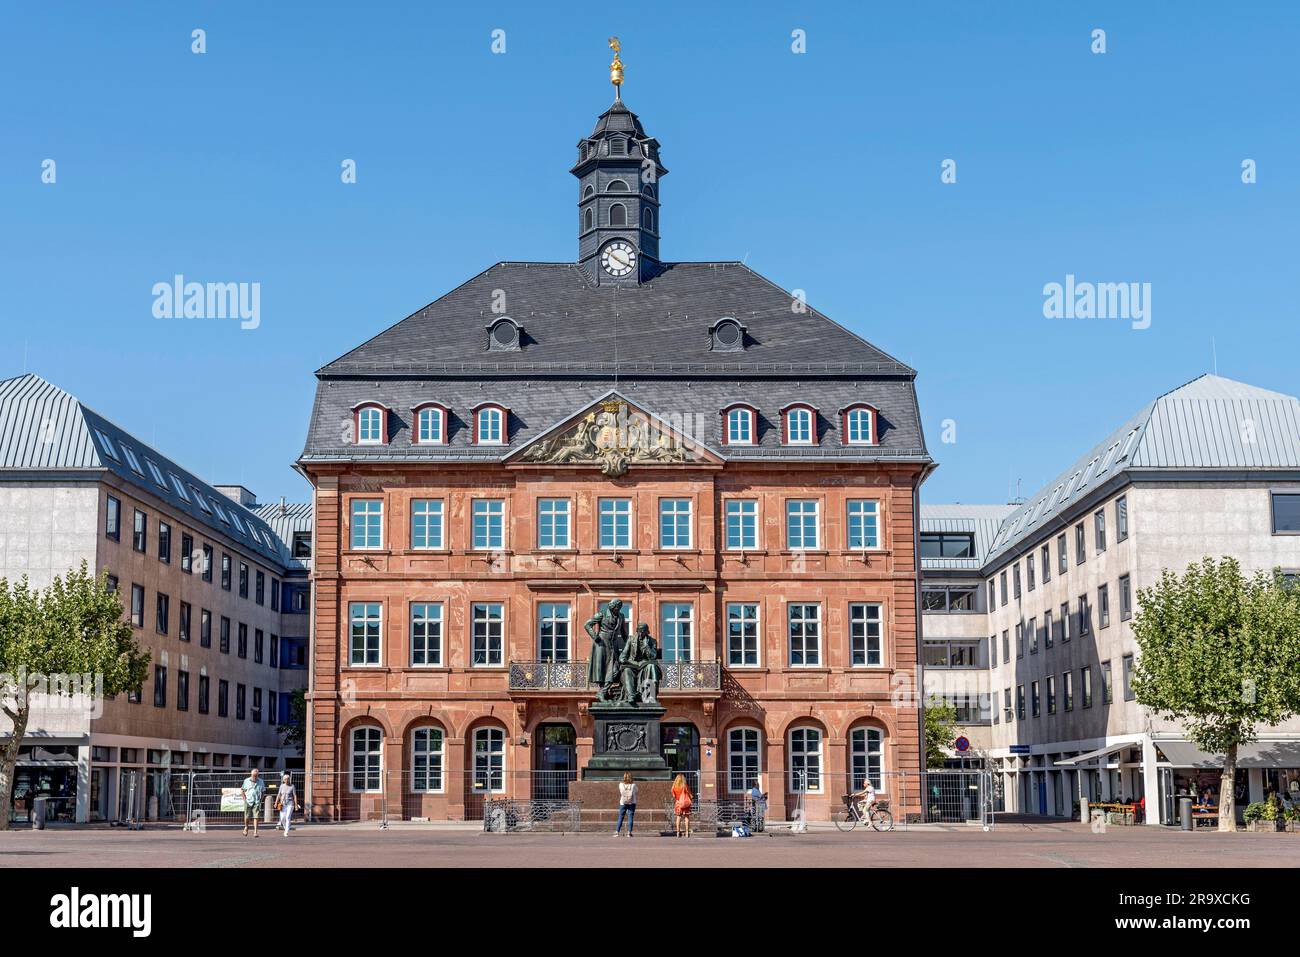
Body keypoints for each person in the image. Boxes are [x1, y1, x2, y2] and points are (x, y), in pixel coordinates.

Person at [241, 768, 266, 837]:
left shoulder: (261, 781)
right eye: (253, 775)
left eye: (256, 775)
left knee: (256, 817)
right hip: (248, 801)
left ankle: (255, 831)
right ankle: (246, 827)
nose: (255, 777)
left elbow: (263, 791)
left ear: (258, 775)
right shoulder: (246, 780)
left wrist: (261, 800)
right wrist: (244, 799)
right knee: (247, 816)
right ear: (251, 774)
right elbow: (242, 790)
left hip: (257, 801)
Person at [615, 772, 637, 837]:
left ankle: (617, 832)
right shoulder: (633, 785)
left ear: (624, 777)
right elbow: (636, 791)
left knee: (621, 817)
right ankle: (629, 833)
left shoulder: (620, 785)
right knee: (630, 817)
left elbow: (621, 792)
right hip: (632, 802)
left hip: (623, 802)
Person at [671, 773, 693, 838]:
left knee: (678, 817)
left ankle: (678, 832)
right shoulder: (685, 786)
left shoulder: (674, 787)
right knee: (687, 817)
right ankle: (687, 833)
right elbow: (690, 794)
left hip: (678, 804)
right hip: (685, 803)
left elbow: (674, 795)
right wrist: (691, 798)